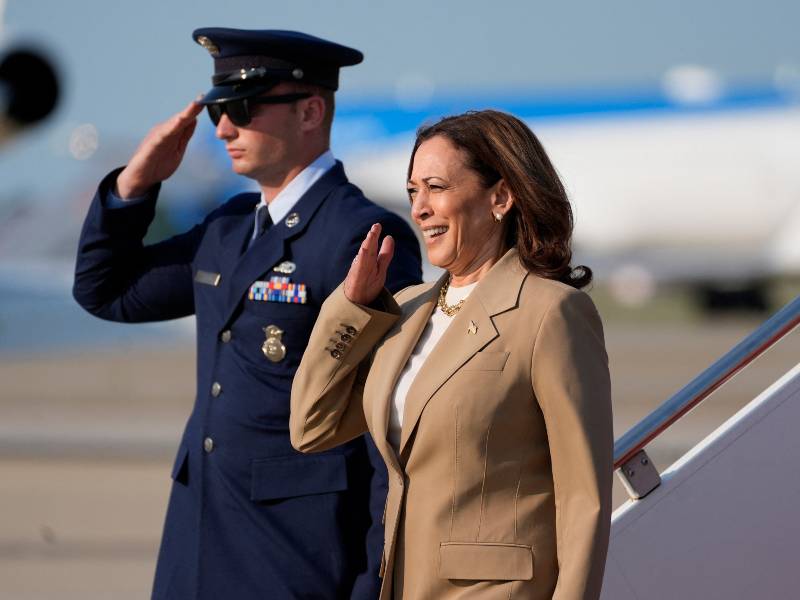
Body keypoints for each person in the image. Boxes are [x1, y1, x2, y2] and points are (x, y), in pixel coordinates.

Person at [73, 28, 422, 600]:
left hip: (296, 558)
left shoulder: (358, 236)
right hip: (198, 546)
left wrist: (374, 582)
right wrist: (136, 183)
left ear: (311, 111)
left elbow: (388, 425)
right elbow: (106, 291)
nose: (223, 128)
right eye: (217, 110)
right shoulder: (228, 227)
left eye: (241, 108)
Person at [291, 109, 613, 599]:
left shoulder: (552, 312)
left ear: (500, 197)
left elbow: (583, 497)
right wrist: (350, 309)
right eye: (412, 192)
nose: (419, 208)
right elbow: (311, 426)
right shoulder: (405, 309)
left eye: (436, 187)